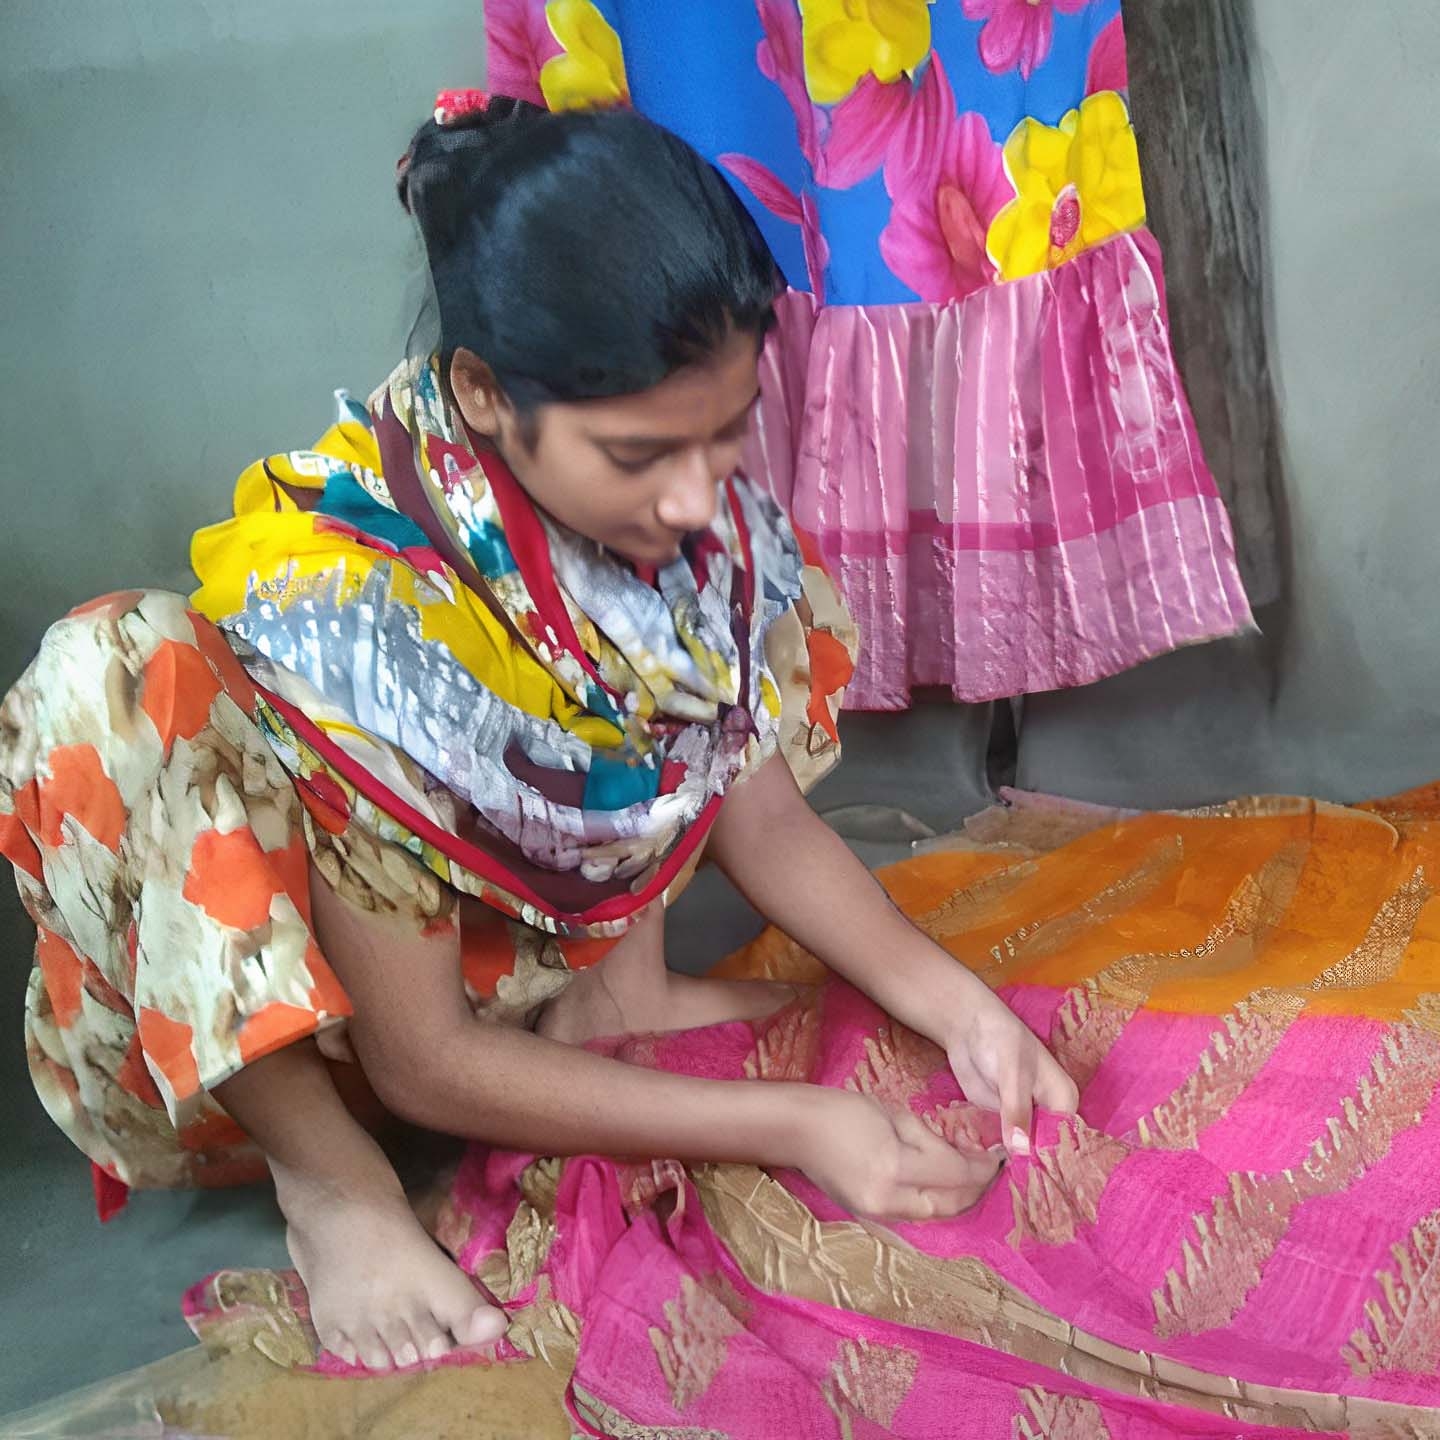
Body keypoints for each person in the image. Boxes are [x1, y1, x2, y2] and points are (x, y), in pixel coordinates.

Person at [0, 94, 1076, 1376]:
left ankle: (612, 1010)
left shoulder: (683, 519)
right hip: (299, 1044)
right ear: (486, 397)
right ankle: (330, 1184)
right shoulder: (364, 617)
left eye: (724, 433)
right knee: (119, 667)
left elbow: (762, 816)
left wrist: (961, 1011)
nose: (694, 493)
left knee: (651, 668)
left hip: (499, 983)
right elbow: (424, 1063)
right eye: (639, 453)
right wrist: (791, 1123)